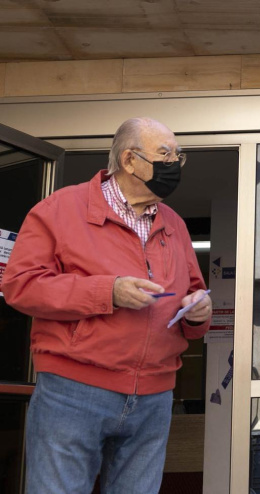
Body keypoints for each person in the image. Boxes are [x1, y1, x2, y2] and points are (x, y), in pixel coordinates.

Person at [1, 117, 212, 493]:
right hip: (74, 390)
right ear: (130, 161)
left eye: (179, 157)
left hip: (155, 395)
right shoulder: (59, 209)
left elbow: (193, 292)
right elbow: (21, 286)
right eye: (165, 154)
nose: (174, 165)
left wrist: (198, 312)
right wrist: (107, 292)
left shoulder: (175, 224)